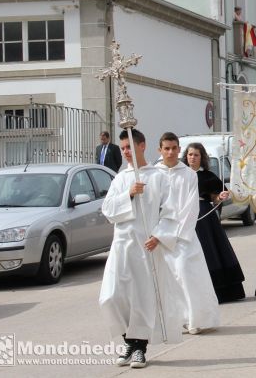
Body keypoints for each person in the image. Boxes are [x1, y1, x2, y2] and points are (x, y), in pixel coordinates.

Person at [99, 129, 183, 369]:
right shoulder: (120, 178)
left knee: (142, 298)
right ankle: (127, 339)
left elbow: (170, 212)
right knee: (112, 296)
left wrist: (158, 236)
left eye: (129, 147)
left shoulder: (158, 177)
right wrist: (129, 194)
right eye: (123, 148)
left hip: (146, 246)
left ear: (142, 146)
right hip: (122, 245)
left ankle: (139, 348)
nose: (126, 152)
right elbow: (108, 210)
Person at [156, 133, 219, 334]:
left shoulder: (189, 175)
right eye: (166, 148)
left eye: (174, 148)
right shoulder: (154, 174)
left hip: (183, 236)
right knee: (167, 279)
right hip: (159, 235)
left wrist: (175, 235)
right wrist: (157, 234)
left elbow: (191, 208)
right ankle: (175, 319)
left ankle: (196, 318)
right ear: (160, 150)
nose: (171, 152)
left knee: (186, 273)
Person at [183, 143, 246, 302]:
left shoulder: (208, 176)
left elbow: (215, 198)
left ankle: (218, 291)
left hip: (203, 216)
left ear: (201, 157)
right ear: (186, 156)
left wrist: (220, 197)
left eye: (196, 155)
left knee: (209, 250)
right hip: (183, 215)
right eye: (190, 154)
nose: (193, 157)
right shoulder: (179, 175)